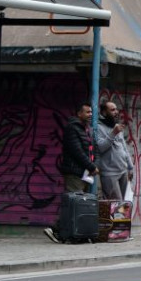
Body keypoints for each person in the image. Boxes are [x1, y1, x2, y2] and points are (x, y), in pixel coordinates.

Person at [43, 104, 99, 244]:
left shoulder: (87, 129)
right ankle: (55, 229)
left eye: (91, 112)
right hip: (74, 172)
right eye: (87, 112)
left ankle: (75, 233)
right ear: (79, 113)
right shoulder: (72, 128)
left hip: (85, 173)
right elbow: (77, 151)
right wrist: (91, 166)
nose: (90, 114)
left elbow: (92, 149)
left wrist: (93, 164)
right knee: (73, 203)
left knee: (79, 204)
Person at [92, 101, 132, 201]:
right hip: (110, 173)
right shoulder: (98, 127)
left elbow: (124, 148)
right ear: (104, 112)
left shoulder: (115, 125)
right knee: (116, 204)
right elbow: (101, 147)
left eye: (116, 109)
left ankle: (121, 218)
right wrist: (113, 133)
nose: (116, 112)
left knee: (123, 203)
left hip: (123, 170)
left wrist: (130, 167)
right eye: (112, 110)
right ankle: (117, 217)